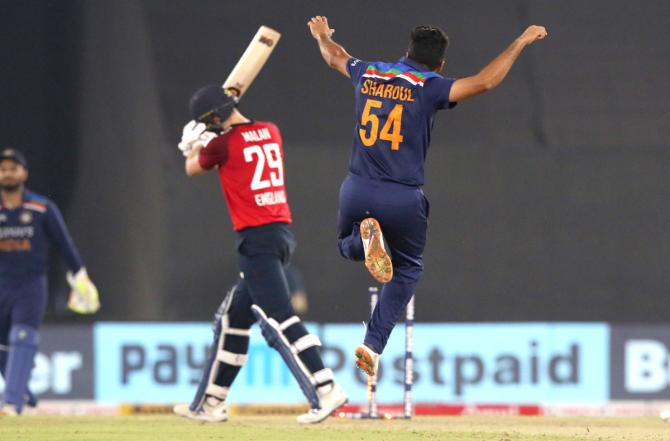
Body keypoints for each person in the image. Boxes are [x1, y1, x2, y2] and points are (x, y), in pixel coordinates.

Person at [307, 16, 547, 376]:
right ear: (440, 64)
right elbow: (485, 82)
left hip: (356, 188)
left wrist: (322, 35)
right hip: (401, 197)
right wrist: (521, 41)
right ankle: (372, 347)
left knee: (345, 244)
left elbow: (334, 57)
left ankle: (363, 240)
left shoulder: (369, 72)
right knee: (407, 270)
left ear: (406, 52)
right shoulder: (429, 85)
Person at [172, 85, 347, 424]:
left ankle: (325, 389)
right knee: (232, 319)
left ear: (213, 119)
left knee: (280, 318)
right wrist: (207, 135)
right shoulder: (271, 130)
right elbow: (234, 139)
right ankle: (210, 403)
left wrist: (191, 145)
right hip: (280, 234)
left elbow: (192, 168)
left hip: (256, 240)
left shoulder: (222, 143)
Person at [0, 148, 99, 416]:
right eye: (3, 169)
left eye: (13, 168)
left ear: (24, 173)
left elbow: (64, 244)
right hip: (1, 284)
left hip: (30, 286)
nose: (8, 173)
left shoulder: (41, 208)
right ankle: (23, 393)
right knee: (2, 348)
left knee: (22, 337)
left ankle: (12, 404)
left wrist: (80, 276)